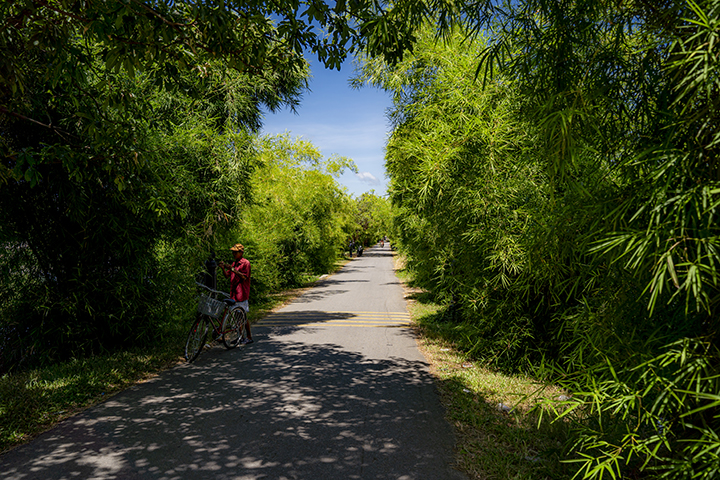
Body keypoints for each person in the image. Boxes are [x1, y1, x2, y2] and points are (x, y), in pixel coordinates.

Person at [219, 243, 253, 344]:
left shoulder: (246, 263)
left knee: (243, 316)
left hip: (242, 294)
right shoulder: (234, 263)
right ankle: (241, 337)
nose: (233, 254)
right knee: (237, 317)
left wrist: (232, 269)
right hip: (234, 294)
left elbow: (244, 277)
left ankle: (249, 337)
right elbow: (227, 276)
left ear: (241, 253)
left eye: (235, 252)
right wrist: (223, 268)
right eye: (233, 252)